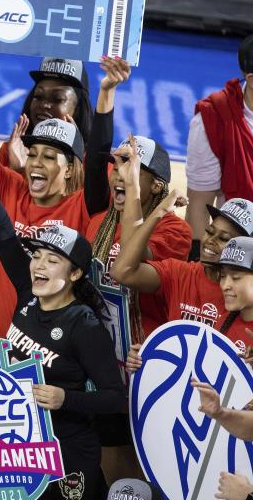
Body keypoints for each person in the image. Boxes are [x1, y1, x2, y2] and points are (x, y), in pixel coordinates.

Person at [0, 142, 128, 500]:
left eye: (51, 261)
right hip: (20, 442)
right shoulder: (28, 293)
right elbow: (4, 237)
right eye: (37, 255)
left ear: (74, 274)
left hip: (66, 454)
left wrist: (64, 399)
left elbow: (116, 399)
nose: (39, 265)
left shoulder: (84, 326)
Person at [0, 46, 129, 341]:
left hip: (57, 347)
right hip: (1, 339)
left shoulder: (84, 201)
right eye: (34, 153)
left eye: (49, 156)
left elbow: (98, 160)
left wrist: (107, 93)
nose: (37, 161)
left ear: (71, 168)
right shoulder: (14, 183)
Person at [85, 135, 191, 484]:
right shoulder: (98, 221)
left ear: (157, 184)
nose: (119, 173)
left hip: (143, 364)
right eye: (117, 164)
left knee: (139, 461)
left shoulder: (175, 230)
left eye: (131, 167)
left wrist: (139, 199)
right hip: (102, 363)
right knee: (103, 454)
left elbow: (131, 263)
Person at [113, 190, 253, 346]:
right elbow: (122, 272)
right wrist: (160, 211)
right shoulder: (179, 273)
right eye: (209, 231)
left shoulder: (244, 295)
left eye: (224, 238)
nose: (210, 240)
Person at [186, 35, 253, 258]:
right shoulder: (212, 119)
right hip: (237, 251)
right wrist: (197, 262)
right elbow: (200, 202)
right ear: (251, 78)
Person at [0, 57, 95, 171]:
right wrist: (17, 171)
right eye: (38, 97)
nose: (45, 105)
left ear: (78, 109)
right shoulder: (10, 150)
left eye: (57, 99)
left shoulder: (93, 163)